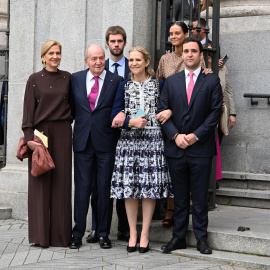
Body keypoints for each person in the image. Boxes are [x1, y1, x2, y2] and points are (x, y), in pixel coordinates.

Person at [157, 37, 222, 254]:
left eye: (194, 51)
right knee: (180, 196)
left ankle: (202, 238)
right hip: (176, 147)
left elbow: (214, 113)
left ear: (201, 55)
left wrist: (195, 136)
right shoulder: (171, 81)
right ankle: (179, 237)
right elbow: (163, 111)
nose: (190, 54)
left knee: (200, 196)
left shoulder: (211, 81)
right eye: (186, 51)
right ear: (182, 54)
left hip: (200, 148)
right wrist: (175, 136)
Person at [110, 46, 172, 253]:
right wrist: (129, 121)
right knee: (130, 191)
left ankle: (144, 234)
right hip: (129, 142)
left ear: (147, 62)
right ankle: (132, 233)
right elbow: (114, 116)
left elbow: (169, 106)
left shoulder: (159, 84)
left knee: (149, 190)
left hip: (152, 141)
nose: (134, 63)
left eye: (138, 60)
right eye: (131, 60)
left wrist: (169, 110)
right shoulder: (123, 85)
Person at [69, 45, 122, 249]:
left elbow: (118, 107)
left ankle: (102, 233)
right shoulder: (75, 79)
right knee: (82, 190)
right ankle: (78, 233)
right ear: (86, 61)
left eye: (101, 58)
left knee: (103, 189)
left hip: (106, 143)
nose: (98, 62)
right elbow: (73, 108)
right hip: (82, 143)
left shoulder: (115, 80)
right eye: (93, 59)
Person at [21, 40, 73, 248]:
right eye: (50, 53)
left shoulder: (68, 78)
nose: (54, 56)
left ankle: (61, 237)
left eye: (58, 53)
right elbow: (28, 111)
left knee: (61, 183)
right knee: (40, 183)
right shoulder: (34, 79)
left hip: (62, 132)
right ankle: (40, 237)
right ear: (43, 56)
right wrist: (28, 140)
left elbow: (74, 107)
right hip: (39, 136)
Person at [156, 21, 206, 228]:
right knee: (173, 171)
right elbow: (159, 85)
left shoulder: (194, 56)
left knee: (193, 173)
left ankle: (190, 209)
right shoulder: (165, 59)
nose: (174, 36)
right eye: (171, 33)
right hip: (170, 120)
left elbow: (200, 88)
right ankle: (171, 210)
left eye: (178, 33)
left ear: (186, 34)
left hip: (192, 120)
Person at [87, 26, 130, 244]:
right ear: (107, 44)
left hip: (129, 135)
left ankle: (123, 228)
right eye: (112, 41)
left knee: (123, 182)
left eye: (119, 41)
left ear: (124, 43)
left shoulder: (134, 67)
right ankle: (96, 228)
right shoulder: (95, 68)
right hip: (102, 135)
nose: (116, 44)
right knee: (98, 184)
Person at [207, 46, 236, 184]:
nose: (210, 55)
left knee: (217, 145)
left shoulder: (222, 68)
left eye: (212, 52)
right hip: (205, 114)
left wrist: (232, 113)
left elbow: (229, 90)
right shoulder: (201, 68)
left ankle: (213, 179)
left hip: (221, 113)